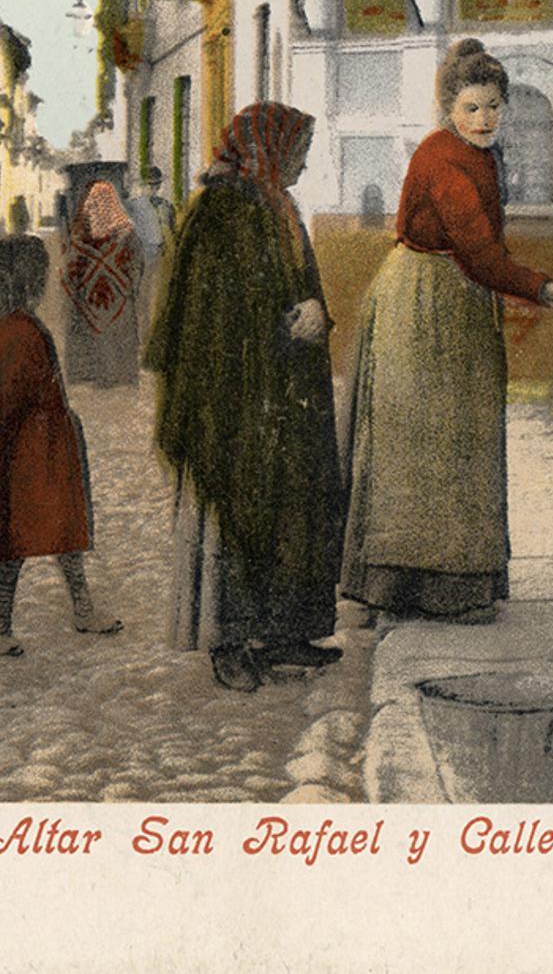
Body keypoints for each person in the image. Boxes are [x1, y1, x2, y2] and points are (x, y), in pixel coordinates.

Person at [341, 38, 553, 621]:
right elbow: (482, 256)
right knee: (424, 441)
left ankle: (457, 584)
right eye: (471, 108)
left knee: (463, 436)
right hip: (422, 304)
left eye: (493, 107)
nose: (484, 119)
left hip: (459, 298)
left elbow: (485, 255)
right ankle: (409, 588)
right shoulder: (442, 159)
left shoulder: (482, 155)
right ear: (448, 110)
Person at [145, 102, 343, 693]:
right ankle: (228, 643)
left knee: (290, 511)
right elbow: (212, 320)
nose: (302, 165)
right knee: (233, 519)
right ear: (268, 151)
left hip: (280, 393)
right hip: (227, 404)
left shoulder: (281, 208)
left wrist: (317, 313)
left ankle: (283, 633)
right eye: (297, 153)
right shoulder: (218, 214)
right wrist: (286, 327)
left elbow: (301, 286)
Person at [0, 236, 121, 655]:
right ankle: (5, 627)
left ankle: (60, 614)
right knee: (24, 540)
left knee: (53, 537)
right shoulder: (20, 330)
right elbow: (15, 396)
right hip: (33, 450)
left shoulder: (11, 325)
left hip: (37, 446)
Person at [59, 180, 144, 387]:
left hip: (90, 300)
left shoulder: (80, 236)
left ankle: (94, 374)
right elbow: (137, 264)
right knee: (118, 334)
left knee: (96, 335)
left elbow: (70, 270)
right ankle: (122, 375)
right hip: (120, 301)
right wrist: (129, 288)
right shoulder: (128, 234)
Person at [127, 164, 176, 341]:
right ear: (142, 185)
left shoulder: (166, 206)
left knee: (159, 296)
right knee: (142, 297)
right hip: (141, 256)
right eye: (150, 185)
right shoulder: (133, 206)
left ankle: (158, 336)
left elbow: (172, 231)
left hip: (160, 256)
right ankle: (142, 336)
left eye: (156, 185)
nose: (153, 188)